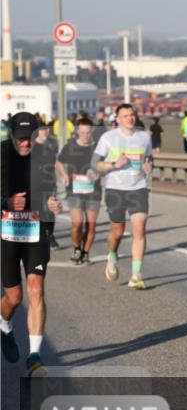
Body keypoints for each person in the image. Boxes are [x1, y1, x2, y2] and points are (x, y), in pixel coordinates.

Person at [1, 112, 63, 373]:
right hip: (6, 233)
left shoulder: (45, 154)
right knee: (14, 297)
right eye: (21, 138)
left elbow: (48, 192)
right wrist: (6, 203)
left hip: (34, 230)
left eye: (30, 138)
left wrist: (52, 205)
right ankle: (4, 326)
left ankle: (35, 356)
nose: (26, 144)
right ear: (11, 135)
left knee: (36, 289)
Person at [93, 103, 154, 290]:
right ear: (118, 119)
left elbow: (149, 158)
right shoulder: (108, 138)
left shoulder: (144, 137)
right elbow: (95, 163)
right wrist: (114, 164)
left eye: (132, 115)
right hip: (115, 189)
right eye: (125, 115)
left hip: (138, 188)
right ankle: (112, 255)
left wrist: (149, 166)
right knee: (117, 232)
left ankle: (136, 275)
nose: (130, 118)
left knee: (139, 230)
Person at [56, 117, 101, 266]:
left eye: (88, 133)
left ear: (92, 131)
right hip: (74, 190)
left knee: (91, 225)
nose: (85, 135)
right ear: (77, 132)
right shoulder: (70, 146)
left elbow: (106, 166)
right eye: (82, 132)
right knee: (77, 223)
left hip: (93, 191)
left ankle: (86, 253)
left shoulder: (99, 148)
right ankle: (76, 249)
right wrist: (63, 175)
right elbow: (59, 162)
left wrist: (100, 174)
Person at [33, 121, 61, 250]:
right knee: (36, 211)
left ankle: (50, 235)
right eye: (43, 129)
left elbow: (56, 162)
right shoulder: (32, 146)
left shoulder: (51, 145)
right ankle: (37, 236)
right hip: (34, 183)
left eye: (47, 129)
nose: (47, 131)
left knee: (50, 211)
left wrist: (64, 174)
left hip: (50, 184)